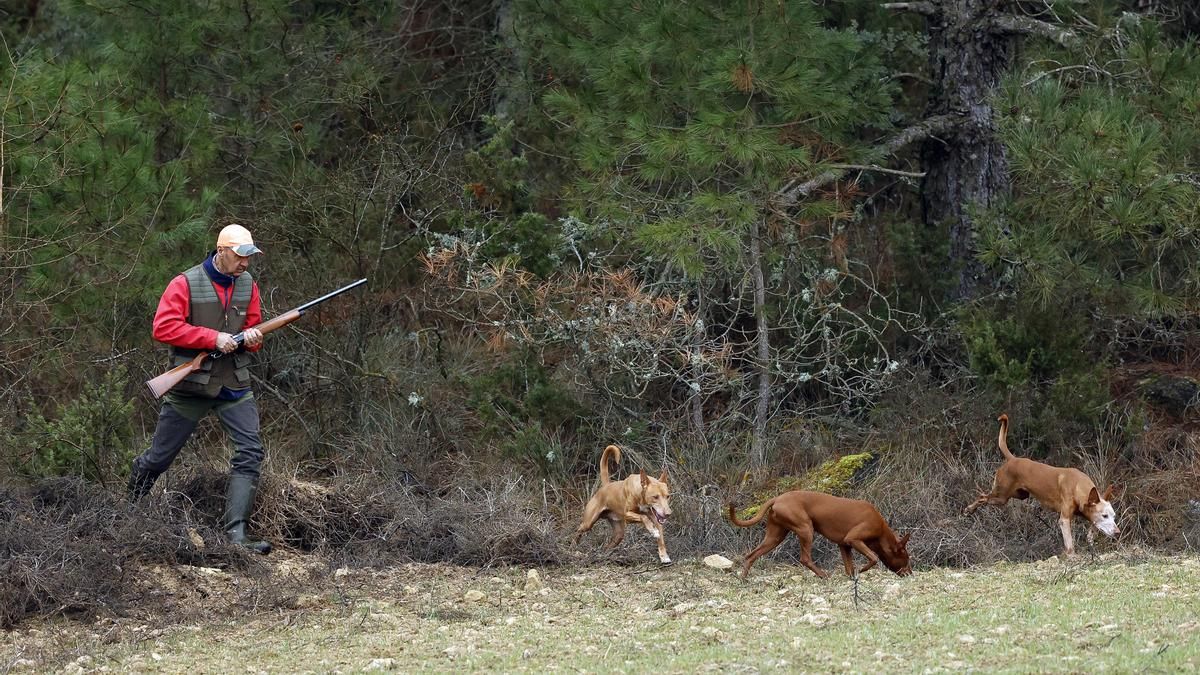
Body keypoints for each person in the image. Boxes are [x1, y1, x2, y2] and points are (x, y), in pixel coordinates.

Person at [128, 223, 272, 554]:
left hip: (234, 384)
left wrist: (253, 339)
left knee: (250, 452)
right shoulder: (185, 282)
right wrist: (212, 338)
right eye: (239, 256)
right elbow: (163, 327)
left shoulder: (248, 283)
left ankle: (237, 535)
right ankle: (129, 515)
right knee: (158, 459)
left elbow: (253, 327)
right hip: (191, 385)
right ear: (221, 251)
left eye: (249, 257)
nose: (245, 264)